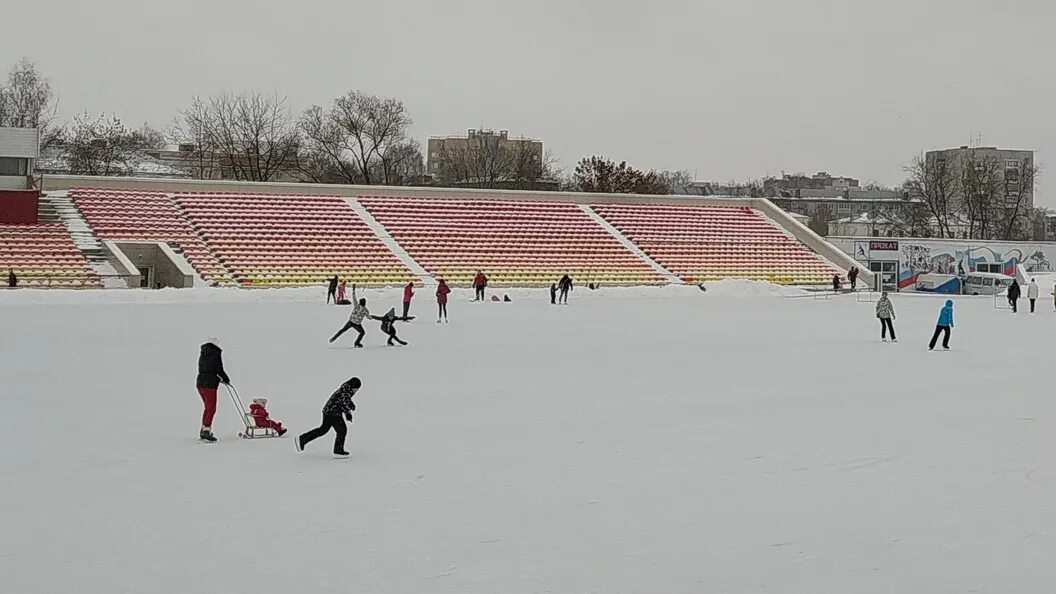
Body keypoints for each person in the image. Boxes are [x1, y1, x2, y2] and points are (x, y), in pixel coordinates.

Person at [296, 377, 361, 458]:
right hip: (332, 413)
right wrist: (350, 410)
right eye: (356, 389)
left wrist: (349, 409)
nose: (356, 391)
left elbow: (344, 402)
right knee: (342, 430)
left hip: (330, 412)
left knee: (323, 430)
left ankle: (302, 439)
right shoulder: (345, 391)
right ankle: (338, 450)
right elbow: (345, 402)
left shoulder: (346, 389)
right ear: (353, 387)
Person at [196, 338, 230, 442]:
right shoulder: (215, 353)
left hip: (200, 382)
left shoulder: (203, 353)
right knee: (211, 408)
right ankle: (206, 431)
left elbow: (207, 368)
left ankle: (203, 430)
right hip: (209, 384)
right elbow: (218, 368)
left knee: (207, 407)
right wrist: (226, 379)